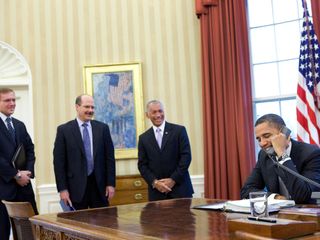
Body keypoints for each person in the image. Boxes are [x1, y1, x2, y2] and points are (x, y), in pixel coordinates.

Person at [53, 94, 116, 210]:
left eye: (92, 107)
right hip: (75, 188)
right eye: (87, 107)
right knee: (77, 225)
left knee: (103, 225)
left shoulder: (102, 129)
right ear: (77, 107)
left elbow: (110, 159)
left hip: (99, 187)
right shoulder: (64, 130)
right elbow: (59, 163)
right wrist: (63, 189)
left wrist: (111, 184)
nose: (90, 110)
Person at [240, 113, 320, 204]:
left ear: (284, 133)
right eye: (258, 139)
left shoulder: (311, 153)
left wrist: (282, 154)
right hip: (278, 215)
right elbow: (246, 191)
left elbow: (303, 196)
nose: (262, 143)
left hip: (308, 213)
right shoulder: (264, 155)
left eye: (266, 136)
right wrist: (274, 197)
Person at [0, 88, 38, 240]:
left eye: (14, 100)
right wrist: (16, 175)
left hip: (24, 188)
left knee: (30, 232)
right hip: (3, 188)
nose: (12, 103)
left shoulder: (19, 125)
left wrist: (27, 172)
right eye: (7, 100)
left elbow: (30, 149)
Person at [138, 100, 194, 201]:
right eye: (154, 112)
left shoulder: (179, 131)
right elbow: (142, 165)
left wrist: (173, 180)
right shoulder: (143, 138)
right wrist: (155, 183)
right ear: (147, 115)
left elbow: (186, 157)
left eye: (160, 111)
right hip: (157, 193)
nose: (158, 115)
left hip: (180, 190)